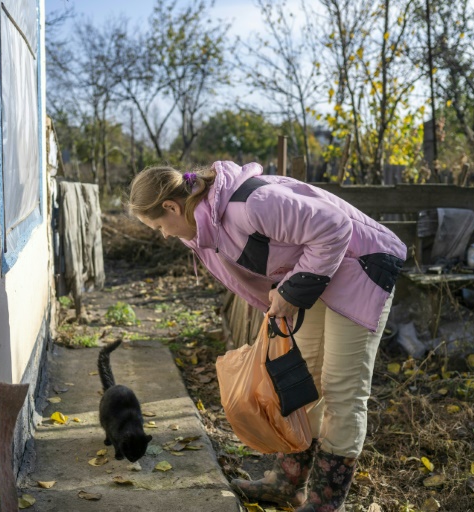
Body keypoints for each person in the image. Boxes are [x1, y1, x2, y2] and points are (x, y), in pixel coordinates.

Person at [128, 161, 406, 511]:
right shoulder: (202, 227)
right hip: (319, 272)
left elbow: (335, 227)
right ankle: (287, 483)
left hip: (361, 265)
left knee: (342, 390)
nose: (164, 234)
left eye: (159, 226)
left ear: (171, 207)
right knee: (305, 384)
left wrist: (290, 293)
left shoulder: (252, 204)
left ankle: (324, 503)